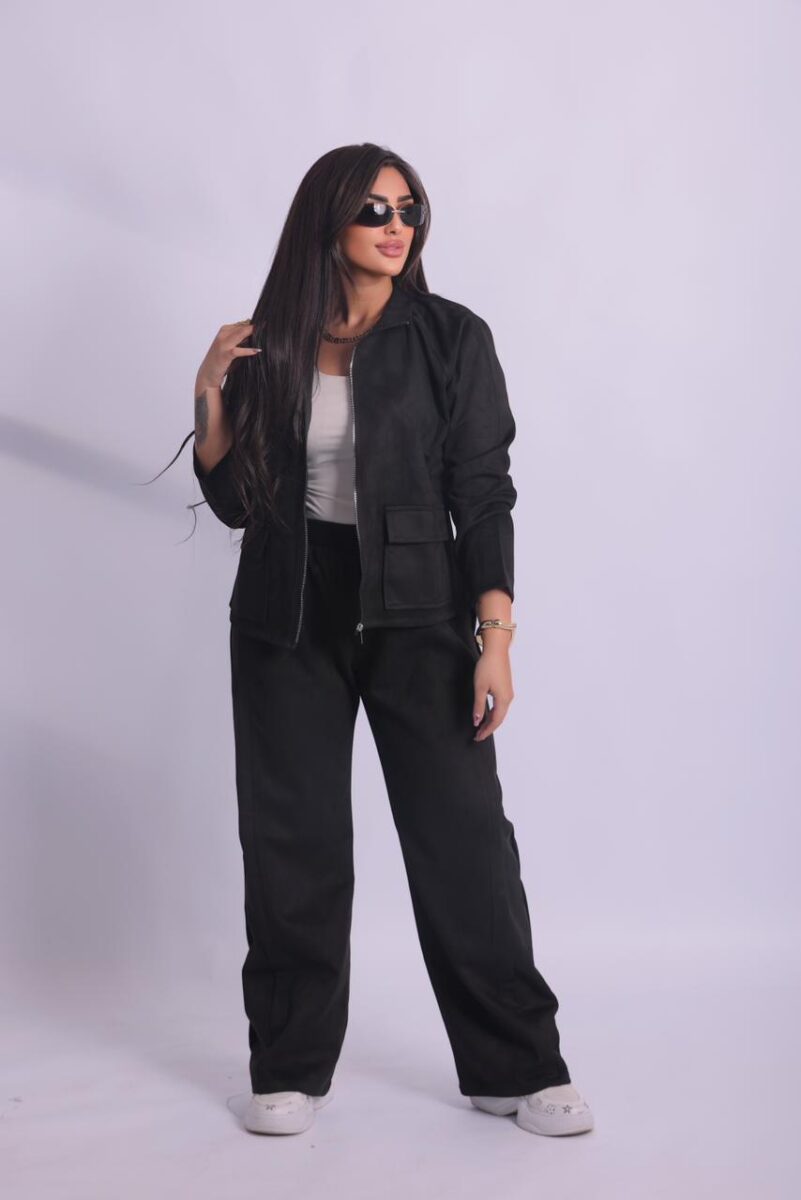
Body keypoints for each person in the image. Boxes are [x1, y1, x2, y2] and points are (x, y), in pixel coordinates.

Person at [165, 143, 594, 1138]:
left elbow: (481, 492)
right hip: (288, 607)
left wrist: (494, 634)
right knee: (293, 845)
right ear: (328, 222)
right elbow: (236, 504)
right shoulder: (269, 342)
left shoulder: (451, 338)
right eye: (374, 210)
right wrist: (208, 395)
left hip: (419, 608)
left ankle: (517, 1065)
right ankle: (288, 1068)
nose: (396, 226)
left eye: (408, 210)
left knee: (463, 841)